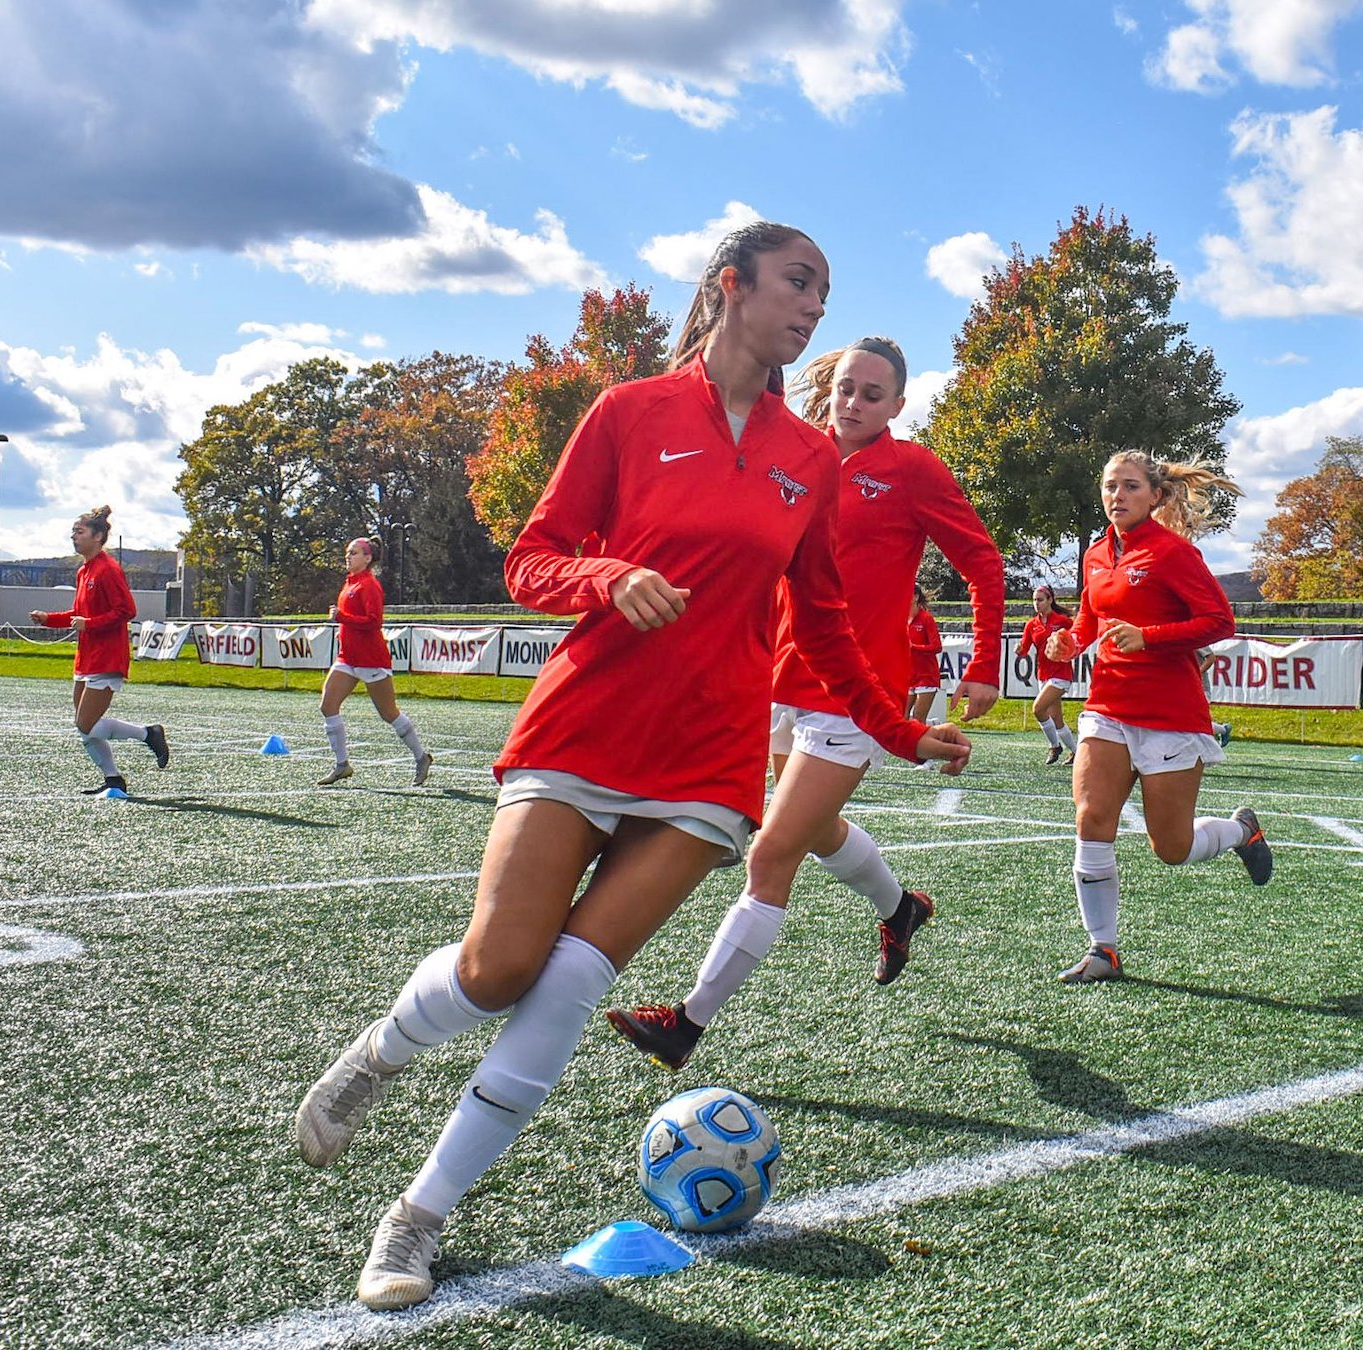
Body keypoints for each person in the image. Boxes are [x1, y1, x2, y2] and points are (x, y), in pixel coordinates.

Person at [290, 222, 970, 1312]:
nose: (813, 308)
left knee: (564, 987)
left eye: (825, 292)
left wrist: (896, 730)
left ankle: (415, 1220)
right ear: (729, 287)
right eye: (799, 283)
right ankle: (381, 1051)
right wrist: (604, 575)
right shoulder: (628, 413)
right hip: (585, 728)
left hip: (707, 764)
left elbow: (829, 624)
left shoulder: (808, 459)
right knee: (501, 964)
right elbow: (531, 558)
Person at [606, 334, 1006, 1071]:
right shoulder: (796, 452)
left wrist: (984, 665)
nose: (853, 403)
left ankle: (686, 1025)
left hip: (857, 693)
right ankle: (900, 908)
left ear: (898, 406)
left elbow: (983, 562)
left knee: (773, 852)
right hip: (776, 680)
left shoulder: (912, 470)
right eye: (847, 388)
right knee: (817, 829)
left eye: (872, 395)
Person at [1041, 451, 1270, 983]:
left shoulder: (1173, 553)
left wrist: (1150, 637)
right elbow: (1090, 621)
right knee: (1092, 818)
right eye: (1108, 486)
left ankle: (1241, 832)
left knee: (1172, 848)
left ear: (1156, 496)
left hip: (1170, 713)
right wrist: (1068, 641)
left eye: (1128, 486)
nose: (1115, 495)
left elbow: (1219, 620)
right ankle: (1103, 951)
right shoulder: (1096, 553)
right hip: (1108, 706)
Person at [30, 505, 167, 796]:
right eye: (73, 532)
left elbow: (126, 610)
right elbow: (78, 614)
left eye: (79, 532)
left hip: (107, 656)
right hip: (87, 657)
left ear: (98, 536)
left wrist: (89, 624)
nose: (74, 537)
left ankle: (148, 734)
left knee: (85, 724)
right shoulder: (84, 571)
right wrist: (48, 619)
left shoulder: (108, 569)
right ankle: (113, 779)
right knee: (84, 727)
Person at [316, 538, 432, 787]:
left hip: (371, 659)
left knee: (389, 713)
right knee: (328, 705)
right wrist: (342, 625)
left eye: (354, 553)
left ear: (368, 558)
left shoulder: (369, 585)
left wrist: (343, 618)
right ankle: (342, 765)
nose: (348, 556)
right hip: (347, 658)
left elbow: (373, 622)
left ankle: (421, 757)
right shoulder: (350, 584)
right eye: (347, 552)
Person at [1019, 584, 1079, 764]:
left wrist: (1070, 648)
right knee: (1057, 720)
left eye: (1040, 600)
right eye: (1034, 600)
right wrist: (1019, 649)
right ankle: (1077, 753)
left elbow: (1078, 637)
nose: (1036, 604)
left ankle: (1055, 746)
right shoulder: (1032, 624)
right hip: (1043, 674)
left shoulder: (1062, 621)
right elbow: (1024, 648)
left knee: (1038, 709)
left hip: (1061, 673)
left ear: (1050, 600)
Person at [906, 585, 945, 723]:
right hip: (907, 676)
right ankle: (933, 726)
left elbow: (937, 647)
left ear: (916, 597)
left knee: (918, 719)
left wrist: (914, 647)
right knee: (900, 719)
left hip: (926, 676)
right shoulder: (900, 618)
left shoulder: (926, 618)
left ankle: (931, 735)